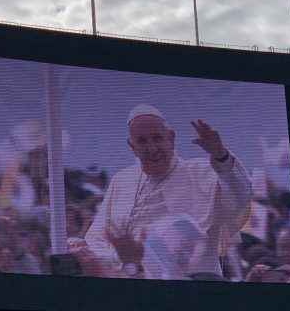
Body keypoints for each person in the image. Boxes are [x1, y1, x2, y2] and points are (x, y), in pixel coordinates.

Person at [68, 104, 252, 279]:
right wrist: (90, 250)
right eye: (142, 141)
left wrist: (222, 156)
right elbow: (97, 239)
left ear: (170, 138)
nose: (152, 148)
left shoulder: (202, 172)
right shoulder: (121, 181)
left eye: (157, 138)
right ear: (132, 146)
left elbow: (241, 196)